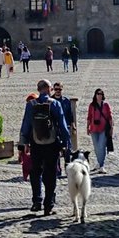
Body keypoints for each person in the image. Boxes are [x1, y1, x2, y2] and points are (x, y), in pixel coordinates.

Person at [18, 78, 71, 215]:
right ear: (49, 89)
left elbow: (26, 124)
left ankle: (37, 201)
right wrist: (66, 143)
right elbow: (62, 125)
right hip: (52, 144)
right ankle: (48, 205)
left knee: (35, 172)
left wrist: (24, 143)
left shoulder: (31, 104)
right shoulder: (55, 104)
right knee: (51, 173)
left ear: (38, 89)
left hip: (36, 143)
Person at [86, 88, 113, 171]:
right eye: (98, 94)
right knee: (96, 147)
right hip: (94, 129)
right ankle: (99, 162)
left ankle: (101, 165)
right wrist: (87, 127)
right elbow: (89, 117)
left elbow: (110, 117)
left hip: (103, 129)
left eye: (101, 94)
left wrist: (111, 128)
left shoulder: (106, 105)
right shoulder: (92, 105)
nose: (99, 95)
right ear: (95, 95)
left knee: (102, 146)